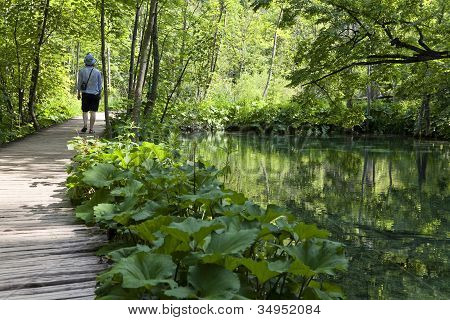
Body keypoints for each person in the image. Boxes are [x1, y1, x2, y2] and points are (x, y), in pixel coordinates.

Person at [77, 53, 102, 133]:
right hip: (95, 94)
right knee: (93, 112)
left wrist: (78, 93)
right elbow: (100, 84)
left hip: (85, 94)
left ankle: (85, 125)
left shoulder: (81, 71)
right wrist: (100, 93)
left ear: (85, 62)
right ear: (93, 62)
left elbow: (79, 83)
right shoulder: (97, 72)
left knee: (85, 111)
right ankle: (91, 129)